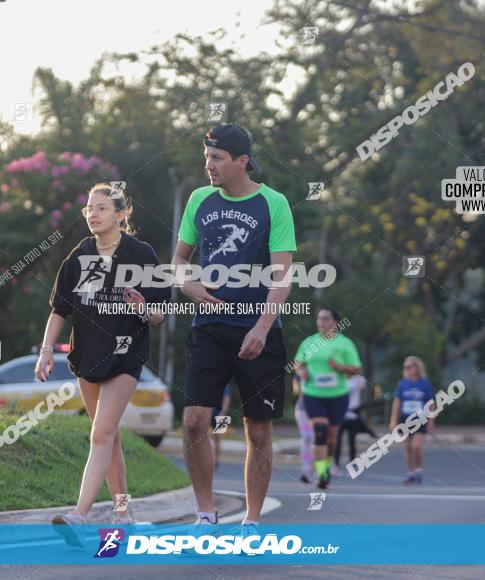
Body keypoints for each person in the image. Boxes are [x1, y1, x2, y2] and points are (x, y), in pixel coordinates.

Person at [173, 123, 296, 537]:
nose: (208, 165)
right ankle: (206, 516)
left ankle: (252, 521)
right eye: (206, 156)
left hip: (258, 330)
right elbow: (179, 260)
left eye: (217, 158)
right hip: (208, 327)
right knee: (193, 421)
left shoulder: (273, 203)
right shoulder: (199, 200)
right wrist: (188, 284)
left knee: (257, 429)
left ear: (242, 161)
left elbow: (282, 276)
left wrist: (262, 326)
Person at [39, 183, 170, 531]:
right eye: (89, 209)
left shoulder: (141, 254)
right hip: (87, 356)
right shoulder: (80, 255)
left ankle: (79, 515)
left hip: (125, 357)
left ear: (121, 214)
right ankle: (124, 515)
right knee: (108, 438)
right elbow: (59, 309)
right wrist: (46, 350)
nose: (93, 214)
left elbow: (160, 314)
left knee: (100, 433)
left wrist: (145, 310)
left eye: (101, 208)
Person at [293, 308, 362, 489]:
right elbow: (297, 362)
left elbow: (356, 369)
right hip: (313, 394)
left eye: (325, 318)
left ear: (335, 323)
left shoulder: (345, 344)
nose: (321, 322)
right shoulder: (310, 342)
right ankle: (322, 474)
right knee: (320, 431)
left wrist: (338, 367)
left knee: (332, 437)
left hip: (338, 395)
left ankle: (326, 466)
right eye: (319, 319)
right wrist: (301, 371)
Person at [390, 355, 436, 485]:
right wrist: (393, 420)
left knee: (416, 446)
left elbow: (431, 403)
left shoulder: (424, 383)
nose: (408, 369)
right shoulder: (402, 383)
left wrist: (431, 420)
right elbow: (397, 402)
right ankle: (410, 473)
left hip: (420, 419)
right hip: (405, 419)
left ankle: (419, 470)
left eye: (410, 366)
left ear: (417, 367)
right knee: (408, 447)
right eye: (406, 367)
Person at [333, 373, 377, 470]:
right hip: (340, 413)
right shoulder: (338, 379)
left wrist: (356, 373)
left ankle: (352, 462)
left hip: (353, 413)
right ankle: (336, 463)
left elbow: (363, 386)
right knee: (338, 439)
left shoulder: (358, 379)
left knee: (351, 439)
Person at [292, 373, 315, 483]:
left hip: (317, 409)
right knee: (307, 438)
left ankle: (316, 468)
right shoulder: (299, 375)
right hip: (302, 410)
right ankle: (305, 469)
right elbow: (296, 391)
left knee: (317, 438)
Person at [211, 384, 233, 469]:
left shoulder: (226, 385)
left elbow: (227, 399)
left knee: (218, 437)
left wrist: (223, 412)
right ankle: (209, 458)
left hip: (220, 413)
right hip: (209, 411)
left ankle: (216, 459)